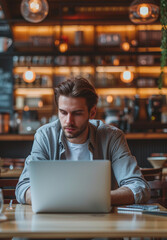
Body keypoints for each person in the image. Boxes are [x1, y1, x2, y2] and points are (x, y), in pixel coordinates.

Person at [15, 77, 150, 205]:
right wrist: (58, 200)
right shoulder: (45, 135)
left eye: (77, 113)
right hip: (54, 221)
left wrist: (94, 199)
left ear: (92, 113)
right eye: (63, 112)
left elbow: (139, 187)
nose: (68, 121)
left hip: (102, 223)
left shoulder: (112, 137)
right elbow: (24, 187)